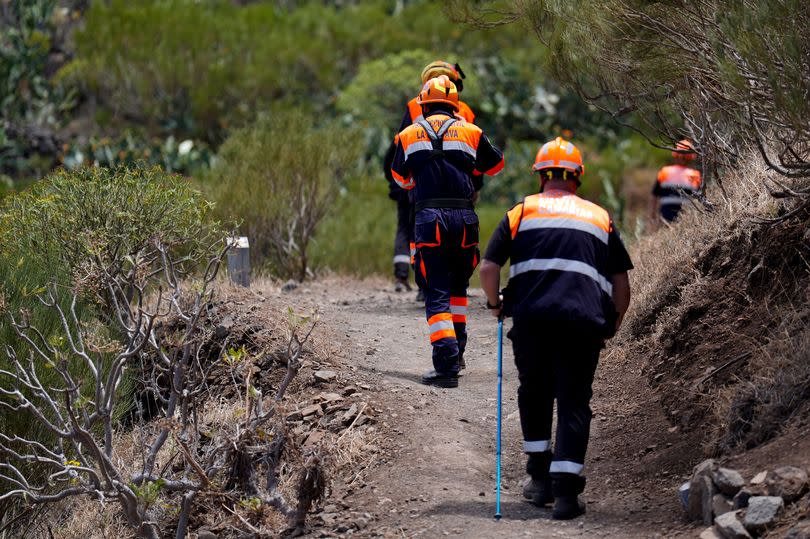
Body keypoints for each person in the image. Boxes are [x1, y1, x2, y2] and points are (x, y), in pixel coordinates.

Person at [479, 137, 633, 520]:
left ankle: (539, 481)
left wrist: (496, 304)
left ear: (541, 175)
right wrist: (612, 323)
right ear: (577, 177)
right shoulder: (600, 217)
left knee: (534, 393)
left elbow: (487, 268)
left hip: (531, 322)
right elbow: (621, 285)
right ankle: (566, 495)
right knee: (574, 400)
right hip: (582, 324)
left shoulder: (521, 212)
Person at [390, 75, 504, 388]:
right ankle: (458, 353)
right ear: (454, 104)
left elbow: (400, 178)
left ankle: (445, 366)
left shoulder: (408, 134)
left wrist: (421, 180)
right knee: (457, 289)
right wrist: (468, 167)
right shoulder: (471, 130)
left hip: (430, 218)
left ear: (423, 105)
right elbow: (495, 166)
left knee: (436, 290)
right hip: (465, 218)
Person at [383, 61, 476, 297]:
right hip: (458, 188)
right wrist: (476, 184)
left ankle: (423, 282)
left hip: (422, 183)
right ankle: (452, 285)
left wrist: (398, 181)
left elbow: (398, 145)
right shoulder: (464, 111)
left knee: (419, 232)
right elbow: (479, 154)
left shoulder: (414, 106)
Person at [651, 138, 702, 223]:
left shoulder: (664, 171)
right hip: (685, 220)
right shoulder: (695, 175)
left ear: (675, 153)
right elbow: (698, 199)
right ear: (690, 156)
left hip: (667, 219)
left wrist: (652, 215)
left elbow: (654, 196)